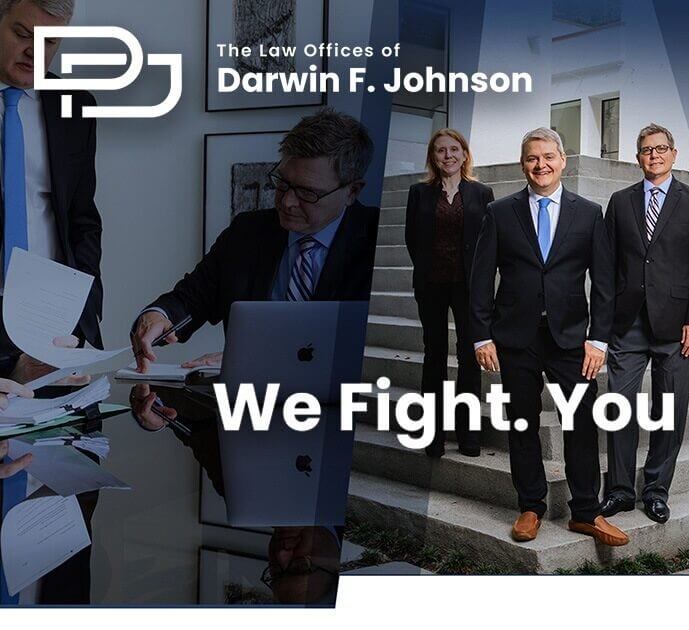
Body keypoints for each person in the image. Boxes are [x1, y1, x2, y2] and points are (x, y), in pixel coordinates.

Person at [468, 127, 627, 546]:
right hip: (515, 338)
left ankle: (586, 512)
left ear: (563, 161)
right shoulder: (500, 212)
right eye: (532, 158)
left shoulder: (589, 213)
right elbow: (481, 278)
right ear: (524, 164)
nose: (541, 165)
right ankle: (530, 507)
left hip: (573, 340)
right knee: (522, 424)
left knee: (581, 423)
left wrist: (599, 340)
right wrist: (481, 336)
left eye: (548, 157)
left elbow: (606, 283)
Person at [130, 109, 379, 369]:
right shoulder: (247, 232)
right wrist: (158, 315)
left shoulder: (376, 240)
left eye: (308, 193)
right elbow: (191, 298)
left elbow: (368, 346)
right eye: (282, 183)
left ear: (352, 191)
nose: (287, 202)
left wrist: (263, 358)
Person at [600, 123, 689, 524]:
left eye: (661, 149)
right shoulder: (620, 201)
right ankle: (618, 490)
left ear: (673, 154)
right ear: (638, 157)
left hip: (676, 326)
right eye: (647, 150)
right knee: (619, 407)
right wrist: (605, 324)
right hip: (628, 324)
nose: (654, 155)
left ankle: (656, 489)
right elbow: (608, 266)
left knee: (669, 410)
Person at [0, 0, 102, 385]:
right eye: (23, 35)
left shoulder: (76, 106)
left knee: (76, 440)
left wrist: (85, 316)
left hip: (56, 319)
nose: (35, 52)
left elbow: (83, 220)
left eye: (50, 42)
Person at [405, 129, 494, 458]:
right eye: (441, 150)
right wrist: (429, 269)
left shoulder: (482, 193)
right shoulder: (419, 193)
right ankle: (434, 434)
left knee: (470, 359)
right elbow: (411, 239)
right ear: (433, 156)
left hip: (469, 288)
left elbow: (489, 244)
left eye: (454, 149)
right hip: (431, 285)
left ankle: (468, 434)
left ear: (464, 154)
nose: (448, 156)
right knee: (434, 357)